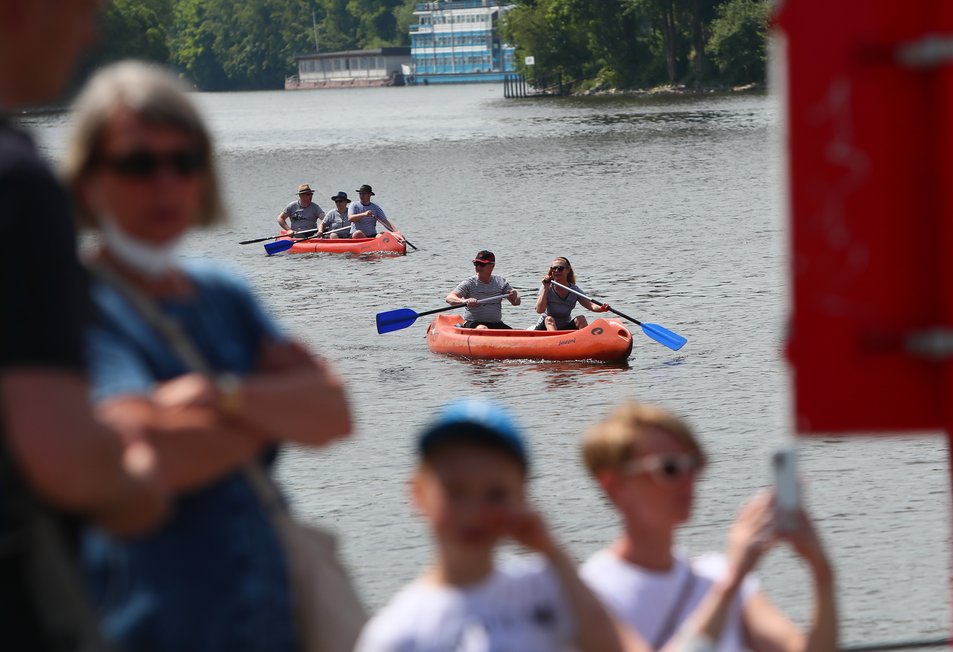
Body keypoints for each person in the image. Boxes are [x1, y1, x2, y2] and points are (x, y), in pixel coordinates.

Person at [63, 60, 354, 651]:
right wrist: (269, 415)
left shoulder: (225, 294)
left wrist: (218, 397)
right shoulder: (78, 306)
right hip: (151, 622)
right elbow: (143, 461)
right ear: (91, 179)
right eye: (139, 164)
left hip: (270, 617)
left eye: (184, 161)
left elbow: (333, 413)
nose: (166, 183)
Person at [0, 2, 168, 649]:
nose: (90, 32)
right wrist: (145, 473)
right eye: (78, 10)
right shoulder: (18, 185)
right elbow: (62, 458)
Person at [355, 398, 645, 652]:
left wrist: (551, 549)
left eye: (496, 494)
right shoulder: (397, 634)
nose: (474, 511)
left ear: (521, 497)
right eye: (455, 491)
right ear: (418, 493)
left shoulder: (546, 586)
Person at [579, 402, 837, 652]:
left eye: (694, 464)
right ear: (615, 486)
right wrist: (731, 583)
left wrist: (821, 572)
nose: (689, 480)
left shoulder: (715, 573)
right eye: (670, 468)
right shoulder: (588, 593)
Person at [446, 250, 521, 329]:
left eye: (482, 264)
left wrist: (515, 297)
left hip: (496, 323)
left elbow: (516, 303)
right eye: (476, 264)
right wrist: (464, 301)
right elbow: (449, 298)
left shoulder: (501, 282)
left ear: (492, 266)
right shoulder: (469, 283)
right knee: (482, 328)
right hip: (473, 323)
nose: (478, 267)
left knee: (515, 333)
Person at [534, 256, 610, 330]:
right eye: (553, 268)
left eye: (560, 268)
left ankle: (587, 340)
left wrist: (602, 308)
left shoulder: (574, 290)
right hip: (546, 326)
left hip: (564, 326)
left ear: (568, 270)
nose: (556, 271)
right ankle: (556, 340)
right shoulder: (546, 286)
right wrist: (545, 288)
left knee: (581, 319)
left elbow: (591, 305)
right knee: (549, 319)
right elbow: (539, 310)